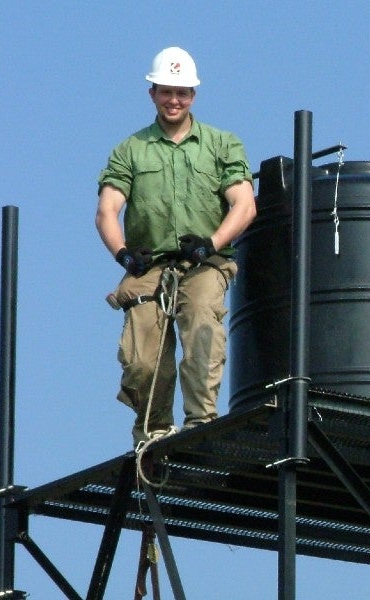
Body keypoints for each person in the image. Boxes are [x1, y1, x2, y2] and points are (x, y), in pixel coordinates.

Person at [96, 47, 257, 447]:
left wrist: (211, 244)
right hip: (147, 266)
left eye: (182, 93)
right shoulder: (130, 150)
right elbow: (107, 211)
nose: (174, 100)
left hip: (205, 263)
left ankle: (201, 422)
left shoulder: (221, 144)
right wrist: (123, 254)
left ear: (194, 96)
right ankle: (153, 433)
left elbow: (244, 204)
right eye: (167, 91)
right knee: (141, 362)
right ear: (152, 92)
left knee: (202, 323)